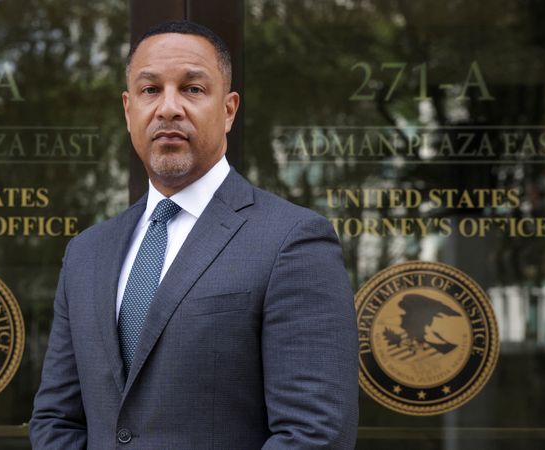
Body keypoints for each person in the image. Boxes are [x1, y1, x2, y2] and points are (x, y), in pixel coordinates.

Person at [30, 20, 358, 450]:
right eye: (150, 90)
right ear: (128, 110)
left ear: (228, 110)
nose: (168, 108)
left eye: (192, 89)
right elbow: (56, 420)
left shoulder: (292, 241)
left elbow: (315, 434)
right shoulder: (87, 253)